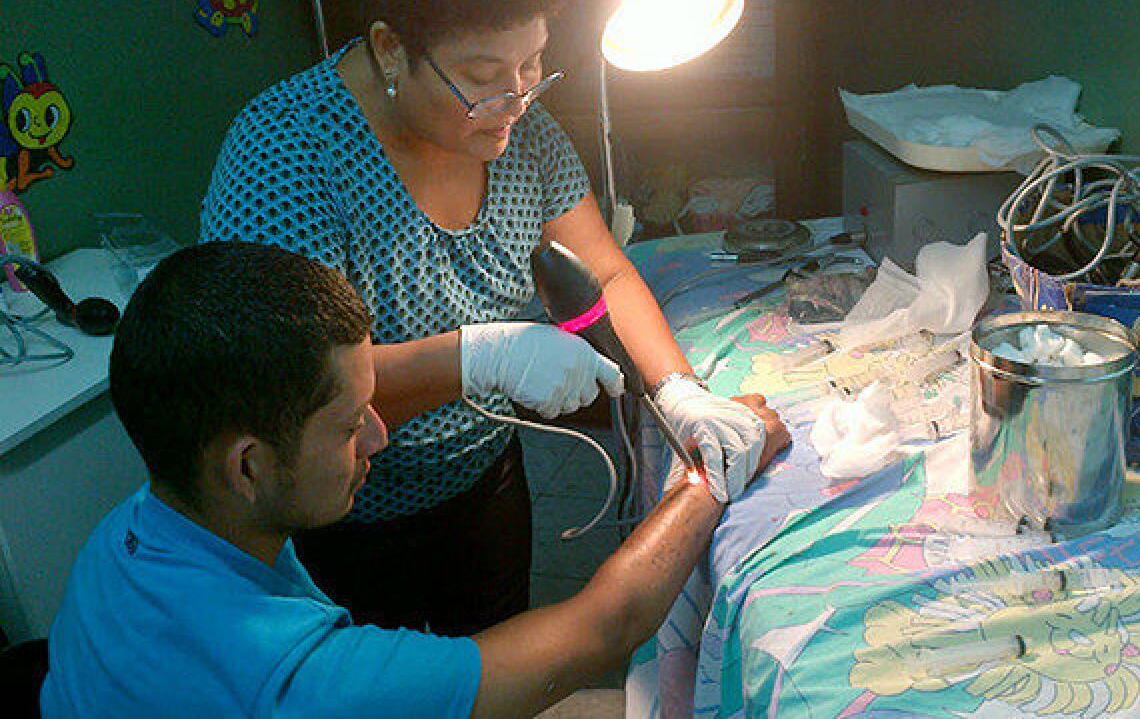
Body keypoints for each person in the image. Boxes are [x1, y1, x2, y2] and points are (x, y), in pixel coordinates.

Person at [199, 0, 772, 635]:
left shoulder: (519, 134)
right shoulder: (286, 157)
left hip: (483, 481)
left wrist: (678, 390)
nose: (515, 99)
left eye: (532, 63)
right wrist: (479, 358)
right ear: (389, 50)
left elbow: (606, 267)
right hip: (336, 518)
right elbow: (295, 388)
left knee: (496, 653)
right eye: (479, 77)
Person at [41, 242, 790, 717]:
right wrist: (709, 475)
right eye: (348, 423)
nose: (379, 434)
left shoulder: (127, 539)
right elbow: (602, 630)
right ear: (248, 465)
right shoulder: (291, 680)